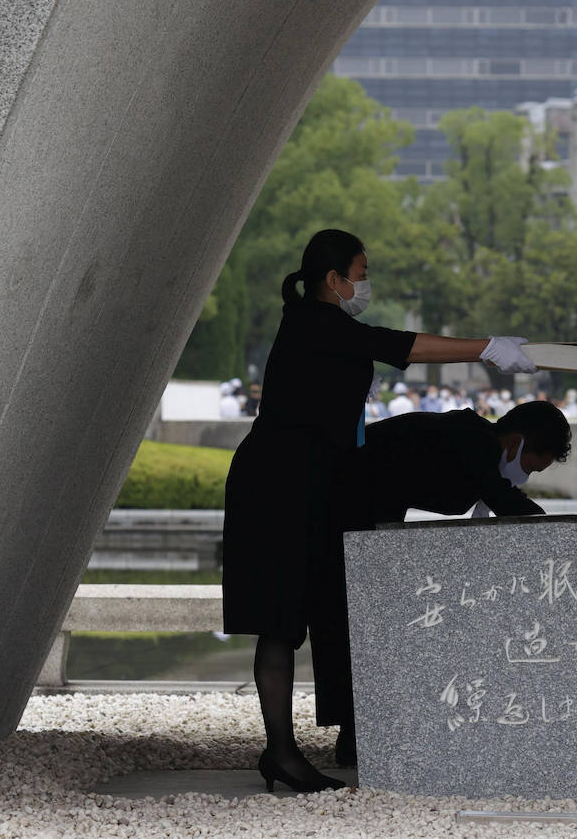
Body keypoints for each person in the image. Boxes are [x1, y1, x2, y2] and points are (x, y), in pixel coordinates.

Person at [221, 228, 537, 793]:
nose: (364, 284)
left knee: (295, 614)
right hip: (279, 480)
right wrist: (485, 347)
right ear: (334, 279)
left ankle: (285, 750)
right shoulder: (316, 323)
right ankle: (281, 752)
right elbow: (403, 346)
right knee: (281, 619)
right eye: (360, 274)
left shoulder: (323, 325)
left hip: (311, 479)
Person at [360, 399, 571, 524]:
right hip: (348, 485)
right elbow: (504, 499)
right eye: (531, 469)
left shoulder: (478, 441)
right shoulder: (474, 442)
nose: (524, 478)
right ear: (516, 443)